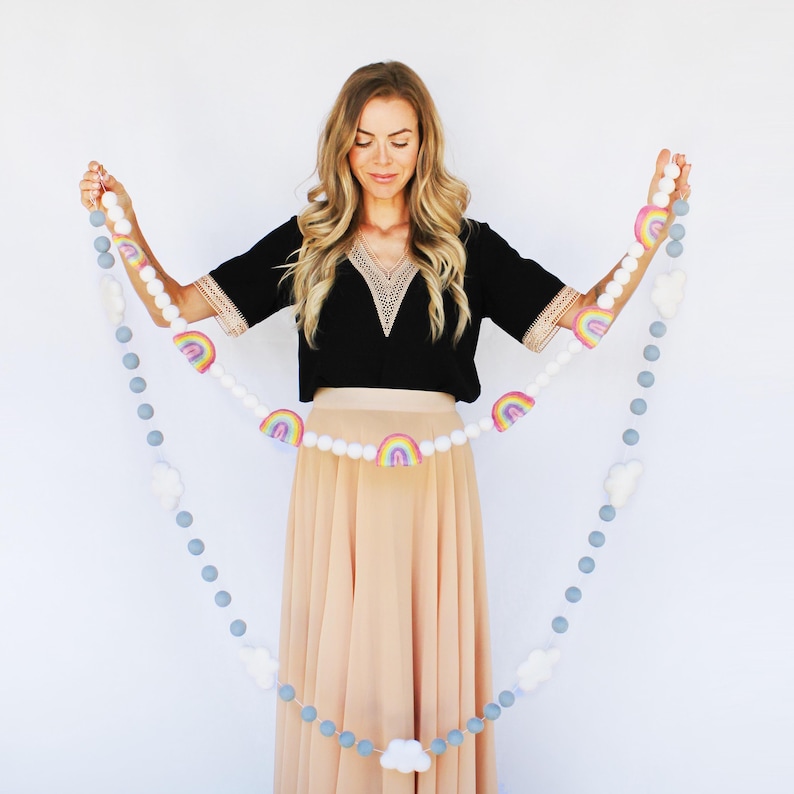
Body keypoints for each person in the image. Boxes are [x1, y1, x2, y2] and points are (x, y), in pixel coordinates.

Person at [79, 61, 691, 794]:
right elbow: (173, 307)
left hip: (433, 469)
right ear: (343, 146)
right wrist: (125, 218)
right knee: (344, 654)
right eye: (365, 140)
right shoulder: (310, 240)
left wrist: (653, 222)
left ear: (424, 145)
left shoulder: (467, 244)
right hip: (336, 468)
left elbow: (589, 316)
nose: (381, 159)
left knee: (423, 650)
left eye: (399, 140)